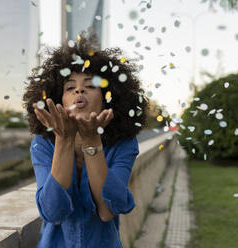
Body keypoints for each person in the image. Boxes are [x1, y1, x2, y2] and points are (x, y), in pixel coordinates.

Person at [23, 32, 149, 248]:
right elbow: (53, 212)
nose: (79, 90)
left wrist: (92, 142)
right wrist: (64, 140)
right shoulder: (42, 144)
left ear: (108, 97)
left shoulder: (124, 144)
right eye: (70, 87)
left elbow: (107, 211)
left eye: (90, 85)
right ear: (57, 98)